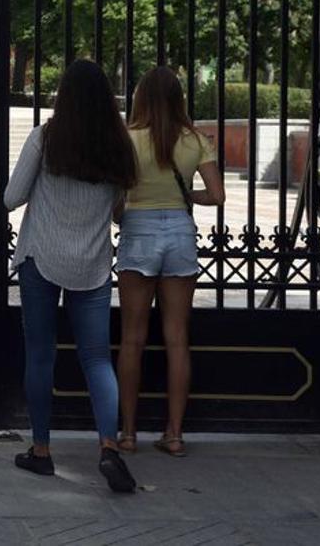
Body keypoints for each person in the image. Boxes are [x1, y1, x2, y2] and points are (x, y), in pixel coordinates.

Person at [4, 59, 138, 493]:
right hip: (93, 265)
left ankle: (41, 451)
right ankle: (108, 447)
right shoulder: (120, 146)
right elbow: (120, 209)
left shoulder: (46, 137)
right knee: (97, 359)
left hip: (41, 257)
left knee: (40, 355)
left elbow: (11, 197)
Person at [116, 66, 225, 457]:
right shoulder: (195, 139)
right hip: (179, 232)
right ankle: (174, 433)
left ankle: (127, 433)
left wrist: (125, 213)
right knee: (177, 338)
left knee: (133, 338)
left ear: (140, 98)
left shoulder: (127, 139)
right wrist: (184, 200)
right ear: (179, 99)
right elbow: (217, 196)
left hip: (138, 231)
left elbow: (117, 199)